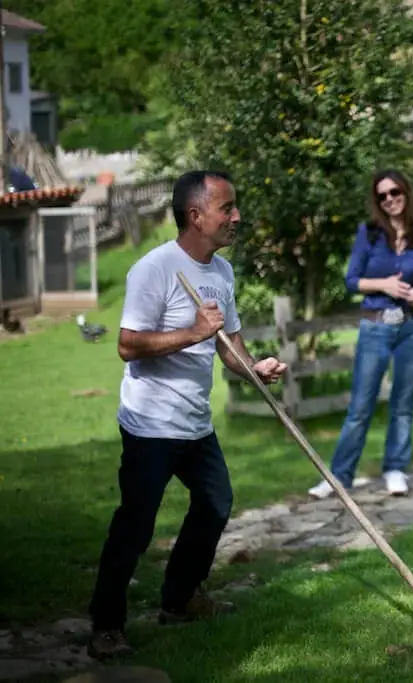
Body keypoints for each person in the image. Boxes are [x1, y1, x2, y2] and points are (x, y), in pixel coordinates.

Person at [87, 170, 289, 659]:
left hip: (195, 424)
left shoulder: (221, 273)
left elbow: (230, 347)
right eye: (227, 208)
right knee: (136, 526)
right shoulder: (154, 269)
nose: (236, 216)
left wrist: (254, 369)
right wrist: (191, 333)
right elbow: (127, 345)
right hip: (150, 425)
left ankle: (179, 599)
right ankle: (106, 626)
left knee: (215, 504)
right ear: (196, 215)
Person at [308, 169, 413, 500]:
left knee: (403, 404)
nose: (390, 199)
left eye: (395, 192)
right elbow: (352, 281)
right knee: (361, 406)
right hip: (375, 326)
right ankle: (339, 476)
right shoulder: (369, 234)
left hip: (412, 328)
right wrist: (385, 285)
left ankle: (395, 469)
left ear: (406, 193)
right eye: (382, 196)